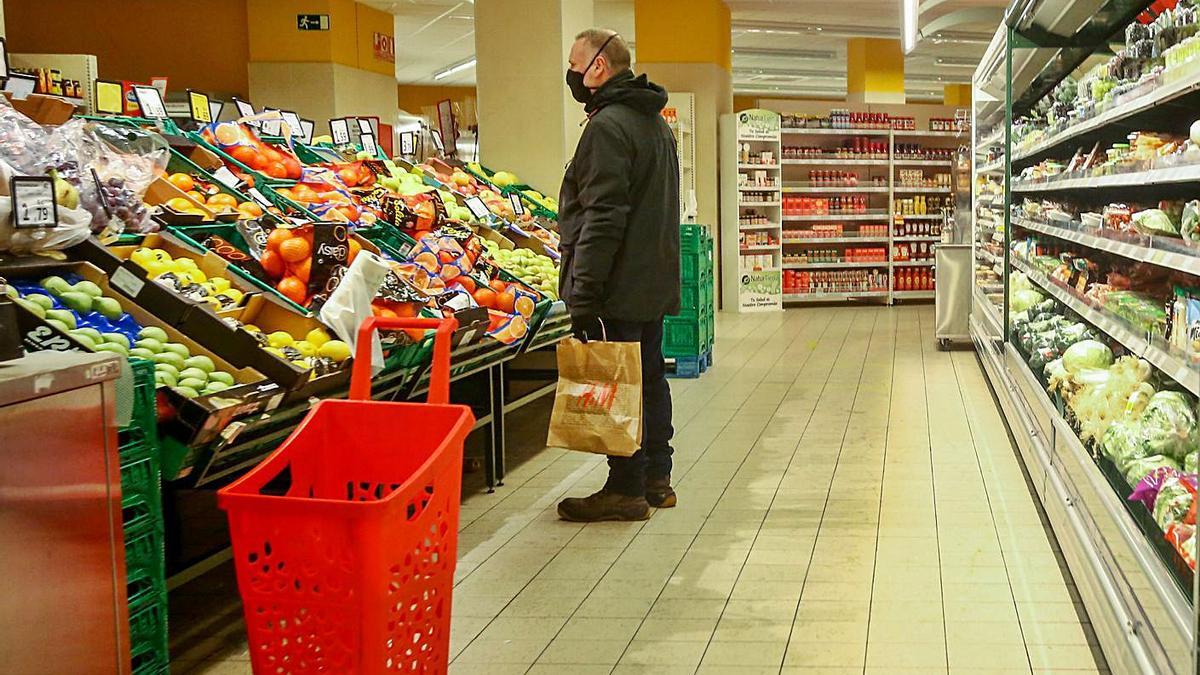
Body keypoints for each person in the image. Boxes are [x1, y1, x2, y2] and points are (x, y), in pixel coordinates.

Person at [555, 28, 681, 522]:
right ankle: (656, 478)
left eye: (575, 64)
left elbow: (602, 216)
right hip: (650, 279)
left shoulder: (609, 127)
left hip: (618, 283)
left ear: (599, 68)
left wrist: (584, 292)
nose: (571, 73)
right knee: (648, 377)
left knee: (618, 383)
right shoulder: (654, 124)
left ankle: (625, 487)